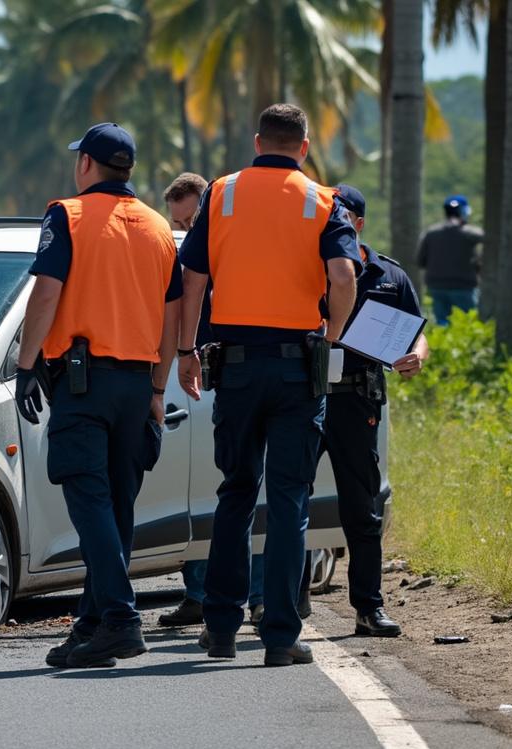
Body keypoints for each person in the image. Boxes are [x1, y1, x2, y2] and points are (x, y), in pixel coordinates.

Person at [177, 103, 358, 667]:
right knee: (288, 500)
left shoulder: (222, 193)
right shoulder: (323, 201)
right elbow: (345, 275)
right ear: (303, 147)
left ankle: (222, 627)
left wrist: (186, 350)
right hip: (296, 366)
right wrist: (329, 336)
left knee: (234, 493)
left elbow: (194, 275)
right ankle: (280, 635)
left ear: (258, 141)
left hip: (234, 366)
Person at [16, 122, 182, 669]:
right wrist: (159, 386)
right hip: (137, 384)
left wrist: (24, 363)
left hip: (83, 384)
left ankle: (120, 619)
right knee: (116, 507)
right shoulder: (159, 227)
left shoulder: (67, 215)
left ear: (86, 164)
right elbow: (173, 314)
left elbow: (46, 292)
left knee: (88, 500)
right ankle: (91, 628)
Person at [158, 172, 267, 629]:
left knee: (248, 493)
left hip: (237, 375)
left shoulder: (236, 251)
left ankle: (260, 596)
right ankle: (199, 592)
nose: (185, 233)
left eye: (191, 220)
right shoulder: (182, 258)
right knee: (201, 492)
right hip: (195, 381)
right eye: (178, 225)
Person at [327, 184, 429, 638]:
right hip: (307, 396)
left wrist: (418, 356)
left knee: (362, 508)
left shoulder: (390, 275)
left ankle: (369, 607)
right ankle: (275, 603)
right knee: (284, 500)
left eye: (341, 215)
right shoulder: (306, 267)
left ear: (359, 224)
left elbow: (416, 331)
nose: (332, 223)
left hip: (357, 399)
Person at [417, 194, 483, 325]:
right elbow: (491, 239)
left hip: (436, 286)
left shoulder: (431, 233)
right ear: (464, 212)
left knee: (442, 323)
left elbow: (420, 261)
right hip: (464, 286)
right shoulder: (471, 233)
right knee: (467, 324)